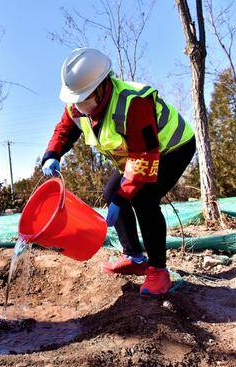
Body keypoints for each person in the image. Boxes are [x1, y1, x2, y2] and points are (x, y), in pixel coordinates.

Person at [42, 48, 195, 296]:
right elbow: (65, 129)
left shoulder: (133, 102)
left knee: (143, 199)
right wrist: (52, 154)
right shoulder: (77, 106)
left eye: (84, 98)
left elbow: (145, 156)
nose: (79, 106)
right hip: (136, 155)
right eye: (75, 99)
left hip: (172, 148)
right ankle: (134, 258)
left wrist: (123, 197)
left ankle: (158, 271)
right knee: (111, 191)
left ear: (102, 88)